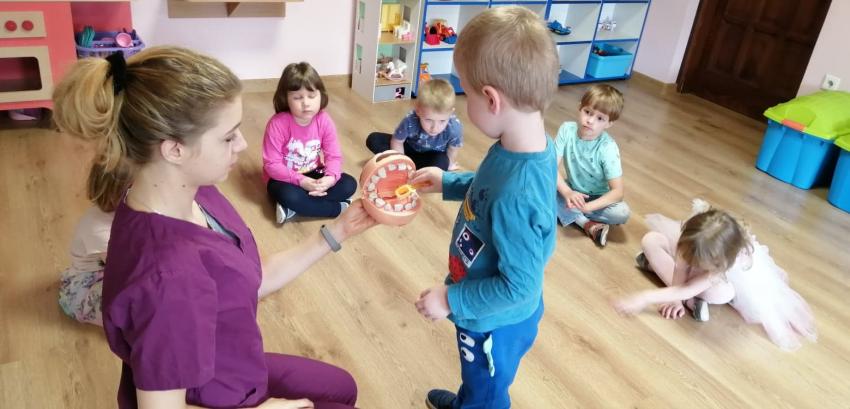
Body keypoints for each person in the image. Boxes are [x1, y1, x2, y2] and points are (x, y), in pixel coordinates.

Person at [53, 47, 376, 409]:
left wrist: (336, 232)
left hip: (233, 362)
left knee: (342, 388)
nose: (243, 144)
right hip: (213, 394)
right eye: (228, 136)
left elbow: (245, 279)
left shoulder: (192, 190)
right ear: (174, 150)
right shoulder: (166, 280)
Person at [409, 7, 560, 408]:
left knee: (487, 391)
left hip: (494, 320)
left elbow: (519, 286)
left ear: (491, 99)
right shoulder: (526, 147)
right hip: (485, 304)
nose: (464, 103)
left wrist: (450, 300)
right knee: (475, 380)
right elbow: (489, 187)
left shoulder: (518, 195)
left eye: (466, 93)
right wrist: (449, 182)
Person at [614, 199, 817, 351]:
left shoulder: (725, 263)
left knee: (721, 293)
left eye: (697, 263)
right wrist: (675, 299)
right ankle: (691, 301)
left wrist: (644, 297)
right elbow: (681, 268)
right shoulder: (694, 240)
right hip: (694, 271)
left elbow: (687, 286)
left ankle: (681, 289)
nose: (691, 263)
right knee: (651, 240)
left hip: (719, 281)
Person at [263, 62, 358, 224]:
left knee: (349, 184)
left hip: (314, 172)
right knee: (288, 195)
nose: (306, 103)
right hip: (285, 178)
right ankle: (337, 208)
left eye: (312, 96)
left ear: (321, 95)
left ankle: (294, 208)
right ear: (285, 99)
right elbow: (272, 165)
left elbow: (334, 156)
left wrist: (330, 178)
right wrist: (301, 181)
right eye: (297, 97)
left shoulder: (324, 120)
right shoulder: (277, 124)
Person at [554, 84, 630, 247]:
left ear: (609, 123)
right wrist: (567, 192)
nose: (590, 120)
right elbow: (551, 168)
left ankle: (574, 215)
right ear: (579, 107)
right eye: (587, 112)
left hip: (597, 197)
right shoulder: (566, 130)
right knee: (539, 182)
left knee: (622, 212)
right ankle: (587, 224)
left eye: (600, 118)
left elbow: (617, 192)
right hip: (571, 190)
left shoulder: (607, 147)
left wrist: (588, 207)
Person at [58, 159, 131, 326]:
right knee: (133, 303)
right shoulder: (97, 228)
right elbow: (121, 271)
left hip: (110, 269)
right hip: (87, 287)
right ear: (117, 194)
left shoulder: (125, 211)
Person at [365, 78, 463, 171]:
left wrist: (450, 165)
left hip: (432, 157)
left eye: (442, 121)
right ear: (418, 110)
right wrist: (401, 163)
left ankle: (416, 169)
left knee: (442, 162)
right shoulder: (410, 120)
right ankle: (409, 167)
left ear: (451, 113)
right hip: (408, 149)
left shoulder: (454, 128)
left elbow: (453, 149)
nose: (435, 128)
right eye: (428, 120)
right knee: (374, 139)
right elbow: (397, 141)